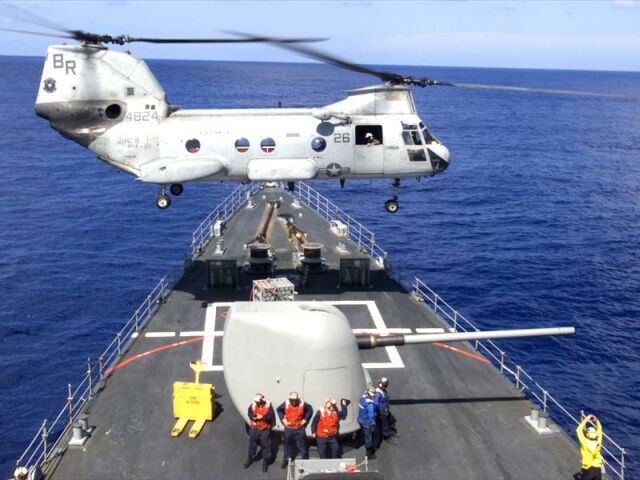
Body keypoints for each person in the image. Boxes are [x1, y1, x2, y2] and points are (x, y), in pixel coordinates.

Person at [276, 391, 313, 469]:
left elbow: (309, 409)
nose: (293, 401)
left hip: (299, 429)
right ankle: (285, 460)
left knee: (302, 445)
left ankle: (305, 461)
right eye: (291, 400)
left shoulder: (302, 403)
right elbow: (279, 410)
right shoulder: (286, 403)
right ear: (289, 399)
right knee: (287, 445)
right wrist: (283, 420)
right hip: (289, 429)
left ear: (297, 399)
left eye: (295, 400)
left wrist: (305, 419)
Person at [245, 393, 275, 473]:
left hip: (265, 429)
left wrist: (262, 417)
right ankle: (250, 458)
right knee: (252, 443)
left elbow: (271, 416)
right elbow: (249, 413)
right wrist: (253, 416)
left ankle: (265, 462)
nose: (256, 403)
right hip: (255, 428)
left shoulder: (268, 406)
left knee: (266, 445)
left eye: (258, 402)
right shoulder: (253, 405)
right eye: (256, 401)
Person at [574, 414, 603, 480]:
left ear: (587, 434)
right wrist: (596, 420)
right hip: (598, 466)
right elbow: (600, 429)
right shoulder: (598, 440)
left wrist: (586, 420)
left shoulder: (585, 442)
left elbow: (578, 430)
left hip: (588, 467)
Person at [374, 377, 398, 445]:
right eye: (384, 385)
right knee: (385, 426)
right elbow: (376, 404)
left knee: (392, 420)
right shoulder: (378, 393)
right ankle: (387, 437)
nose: (385, 386)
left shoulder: (383, 391)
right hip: (382, 413)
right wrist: (378, 413)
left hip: (386, 410)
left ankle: (391, 432)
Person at [357, 386, 379, 459]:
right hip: (367, 423)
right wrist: (372, 425)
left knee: (362, 434)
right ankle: (369, 453)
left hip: (361, 419)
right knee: (368, 438)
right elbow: (371, 416)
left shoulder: (362, 398)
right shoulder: (370, 405)